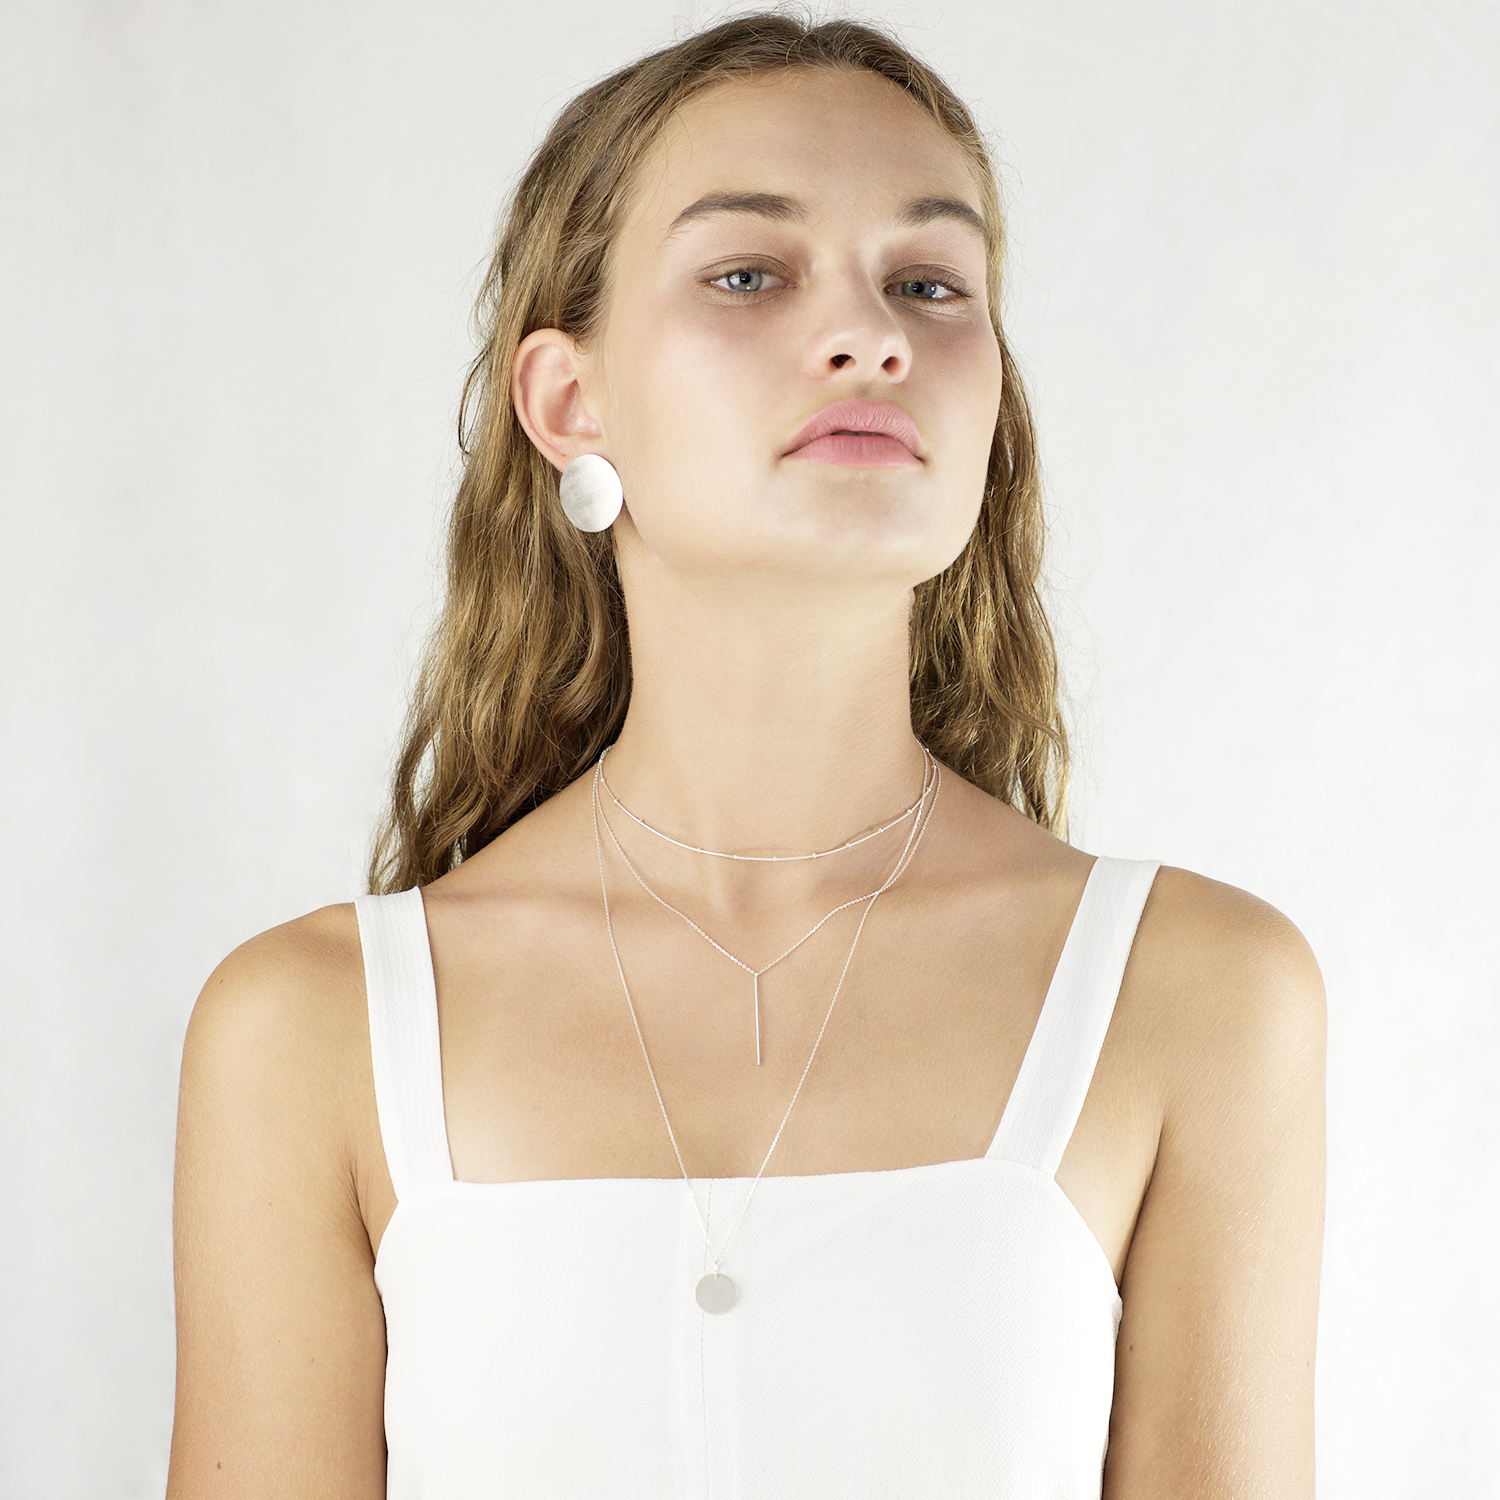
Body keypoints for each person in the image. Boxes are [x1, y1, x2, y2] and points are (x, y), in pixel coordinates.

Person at [167, 12, 1326, 1498]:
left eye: (929, 283)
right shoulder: (308, 1030)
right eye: (749, 275)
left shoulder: (1200, 996)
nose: (874, 337)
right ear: (569, 403)